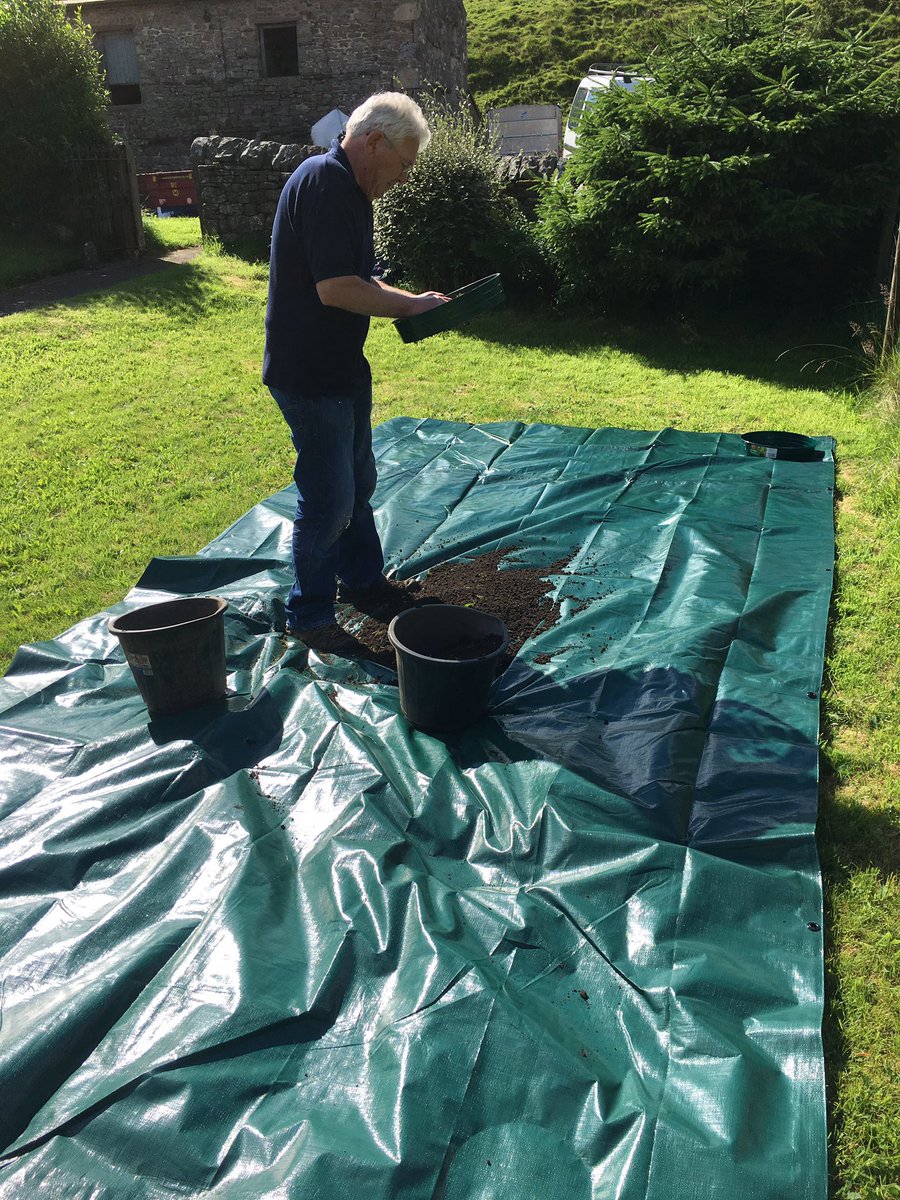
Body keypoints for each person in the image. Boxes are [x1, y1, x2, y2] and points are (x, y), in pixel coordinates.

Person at [263, 92, 448, 653]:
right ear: (373, 143)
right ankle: (310, 614)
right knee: (328, 499)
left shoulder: (349, 192)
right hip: (309, 374)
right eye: (404, 165)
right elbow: (336, 289)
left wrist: (413, 299)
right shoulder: (324, 182)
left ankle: (364, 583)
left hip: (343, 368)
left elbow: (362, 280)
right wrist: (411, 307)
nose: (404, 177)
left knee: (357, 486)